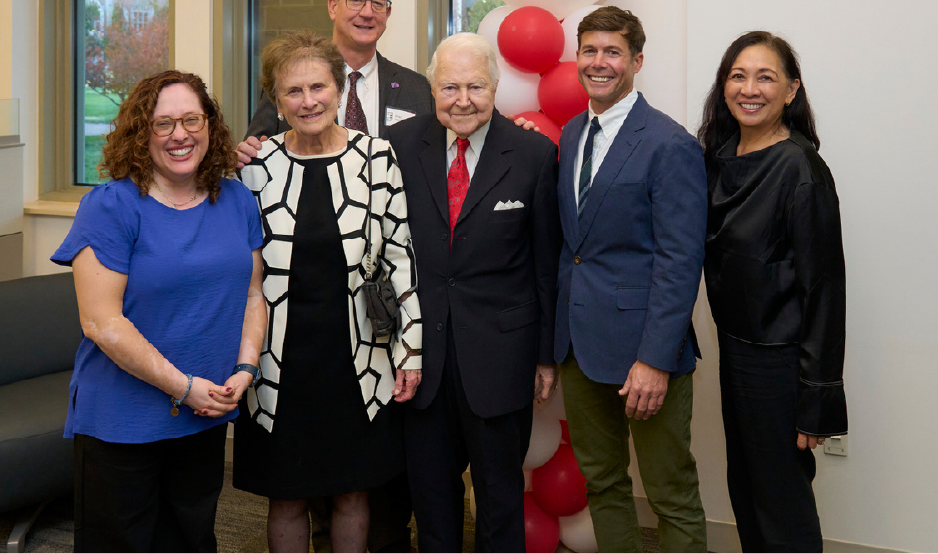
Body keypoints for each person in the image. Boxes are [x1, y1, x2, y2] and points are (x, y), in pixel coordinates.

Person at [51, 70, 266, 553]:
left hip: (204, 412)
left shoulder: (235, 199)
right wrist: (183, 387)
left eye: (192, 119)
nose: (180, 134)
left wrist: (246, 367)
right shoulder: (110, 206)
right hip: (122, 422)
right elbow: (101, 323)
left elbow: (254, 295)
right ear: (140, 131)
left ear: (210, 125)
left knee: (191, 540)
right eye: (163, 123)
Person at [233, 29, 422, 554]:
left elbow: (401, 259)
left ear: (339, 90)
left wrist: (411, 350)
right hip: (278, 362)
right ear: (275, 99)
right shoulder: (254, 168)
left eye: (318, 87)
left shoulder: (377, 158)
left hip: (356, 358)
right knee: (285, 496)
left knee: (351, 490)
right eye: (293, 91)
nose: (308, 101)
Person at [384, 33, 561, 553]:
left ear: (496, 87)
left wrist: (546, 356)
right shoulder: (397, 146)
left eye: (476, 86)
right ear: (432, 88)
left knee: (500, 500)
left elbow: (546, 265)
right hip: (421, 358)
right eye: (449, 86)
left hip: (502, 356)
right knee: (432, 500)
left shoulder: (532, 152)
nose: (462, 99)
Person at [554, 6, 708, 553]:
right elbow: (575, 245)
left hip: (646, 354)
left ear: (637, 60)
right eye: (589, 50)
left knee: (671, 492)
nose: (599, 62)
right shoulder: (572, 134)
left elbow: (680, 262)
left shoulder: (670, 144)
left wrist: (655, 360)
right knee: (604, 482)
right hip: (578, 346)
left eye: (612, 52)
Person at [698, 31, 847, 552]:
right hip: (734, 351)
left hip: (781, 365)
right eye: (737, 75)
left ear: (791, 90)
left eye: (766, 77)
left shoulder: (800, 169)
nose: (749, 88)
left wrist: (817, 398)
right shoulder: (717, 158)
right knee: (747, 493)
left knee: (782, 506)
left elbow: (825, 290)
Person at [245, 0, 434, 142]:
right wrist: (247, 155)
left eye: (377, 3)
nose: (367, 13)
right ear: (333, 7)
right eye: (356, 0)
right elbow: (255, 155)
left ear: (387, 13)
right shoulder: (289, 82)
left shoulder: (419, 90)